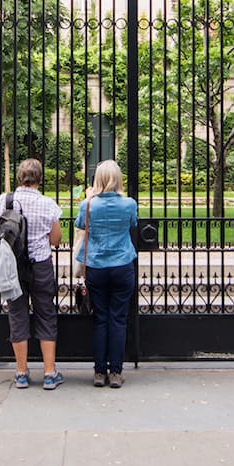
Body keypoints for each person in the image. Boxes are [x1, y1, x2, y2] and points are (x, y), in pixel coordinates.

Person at [0, 158, 64, 391]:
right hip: (40, 264)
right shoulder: (48, 204)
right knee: (46, 314)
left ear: (20, 177)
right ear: (39, 178)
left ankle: (21, 372)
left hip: (12, 265)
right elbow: (56, 239)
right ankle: (50, 373)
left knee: (17, 314)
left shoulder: (5, 200)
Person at [74, 159, 138, 389]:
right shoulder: (129, 204)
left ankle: (100, 371)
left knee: (100, 318)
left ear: (97, 179)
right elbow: (133, 224)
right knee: (118, 319)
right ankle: (116, 372)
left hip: (96, 266)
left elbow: (80, 225)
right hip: (122, 265)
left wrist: (89, 198)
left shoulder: (88, 205)